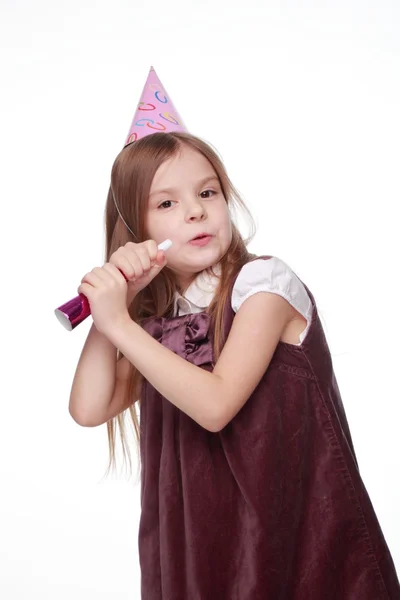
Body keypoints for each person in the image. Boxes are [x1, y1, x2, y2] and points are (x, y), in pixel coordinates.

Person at [68, 69, 400, 599]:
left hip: (294, 542)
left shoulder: (264, 287)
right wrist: (119, 300)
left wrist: (118, 323)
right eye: (166, 203)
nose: (196, 210)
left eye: (207, 192)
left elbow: (216, 404)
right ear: (135, 229)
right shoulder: (152, 326)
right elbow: (88, 408)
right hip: (201, 554)